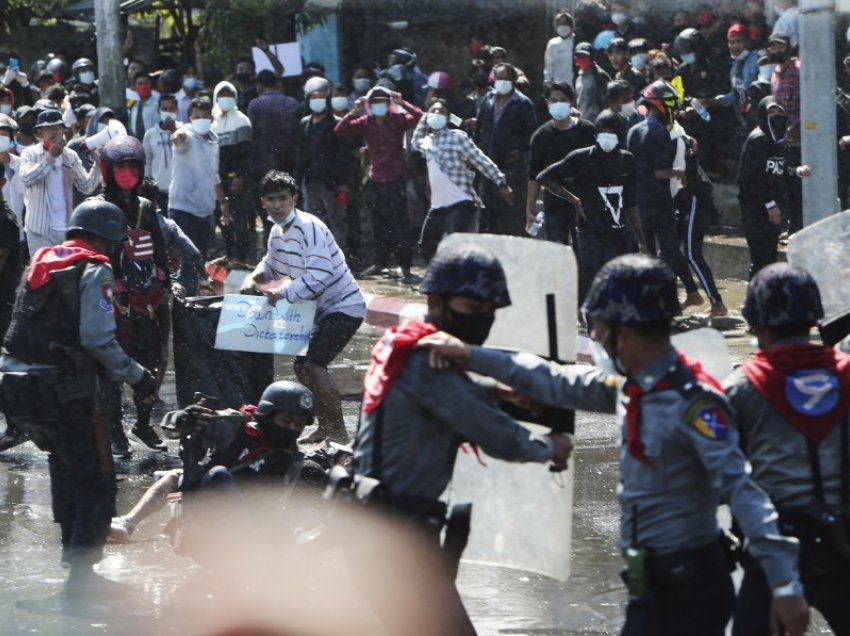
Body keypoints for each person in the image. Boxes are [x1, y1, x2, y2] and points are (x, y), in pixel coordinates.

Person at [418, 253, 810, 636]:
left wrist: (785, 584)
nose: (598, 339)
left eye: (602, 328)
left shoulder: (693, 402)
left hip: (689, 585)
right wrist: (472, 355)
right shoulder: (633, 387)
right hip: (655, 583)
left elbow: (743, 490)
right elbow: (554, 379)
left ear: (628, 329)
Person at [350, 242, 574, 636]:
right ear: (437, 301)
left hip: (378, 530)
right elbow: (497, 436)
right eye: (472, 309)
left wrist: (499, 392)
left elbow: (439, 397)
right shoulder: (426, 361)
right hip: (397, 539)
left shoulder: (404, 342)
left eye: (489, 312)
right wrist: (548, 448)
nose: (482, 321)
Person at [0, 199, 157, 604]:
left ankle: (74, 572)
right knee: (96, 477)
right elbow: (97, 340)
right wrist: (140, 377)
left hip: (15, 386)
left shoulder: (43, 258)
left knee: (65, 467)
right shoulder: (95, 268)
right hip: (61, 388)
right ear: (107, 238)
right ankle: (81, 582)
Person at [726, 263, 850, 635]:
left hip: (773, 554)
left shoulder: (740, 388)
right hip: (843, 547)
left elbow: (720, 474)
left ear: (757, 324)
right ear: (814, 318)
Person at [109, 380, 330, 543]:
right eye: (286, 420)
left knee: (314, 474)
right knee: (186, 476)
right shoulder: (233, 425)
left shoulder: (294, 460)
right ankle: (127, 523)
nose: (292, 429)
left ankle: (297, 541)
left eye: (299, 424)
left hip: (257, 527)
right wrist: (182, 417)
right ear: (268, 416)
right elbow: (171, 429)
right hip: (212, 511)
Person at [240, 171, 365, 444]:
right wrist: (253, 278)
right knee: (302, 367)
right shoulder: (276, 231)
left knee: (314, 364)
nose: (277, 205)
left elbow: (321, 276)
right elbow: (270, 266)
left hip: (344, 306)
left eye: (283, 199)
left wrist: (282, 293)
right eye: (271, 199)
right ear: (263, 202)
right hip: (317, 309)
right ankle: (325, 425)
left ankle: (339, 432)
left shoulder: (309, 227)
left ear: (294, 199)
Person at [99, 136, 171, 456]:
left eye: (132, 167)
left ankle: (143, 423)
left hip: (146, 302)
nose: (127, 173)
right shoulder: (96, 209)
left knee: (150, 363)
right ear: (107, 170)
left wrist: (165, 281)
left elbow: (160, 252)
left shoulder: (146, 208)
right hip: (108, 303)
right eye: (120, 167)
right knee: (110, 369)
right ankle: (114, 432)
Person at [537, 112, 647, 304]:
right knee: (591, 279)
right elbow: (545, 177)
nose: (607, 136)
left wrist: (641, 238)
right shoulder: (581, 158)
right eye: (603, 131)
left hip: (619, 232)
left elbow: (630, 202)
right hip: (590, 231)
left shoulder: (626, 160)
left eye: (611, 132)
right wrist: (573, 199)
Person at [627, 80, 703, 308]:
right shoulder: (658, 132)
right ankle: (672, 299)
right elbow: (658, 172)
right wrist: (677, 172)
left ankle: (656, 300)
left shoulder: (634, 129)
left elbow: (632, 168)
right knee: (668, 251)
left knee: (649, 251)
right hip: (659, 201)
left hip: (639, 201)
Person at [334, 85, 423, 281]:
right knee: (378, 224)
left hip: (396, 178)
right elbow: (340, 130)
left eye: (382, 101)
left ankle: (405, 266)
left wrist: (403, 103)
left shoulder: (398, 120)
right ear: (369, 105)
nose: (378, 105)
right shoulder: (366, 122)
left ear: (388, 103)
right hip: (376, 179)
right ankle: (379, 262)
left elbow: (421, 118)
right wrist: (353, 111)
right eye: (374, 102)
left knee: (401, 225)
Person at [411, 98, 512, 262]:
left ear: (448, 117)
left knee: (454, 244)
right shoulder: (427, 141)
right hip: (437, 206)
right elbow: (414, 141)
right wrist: (425, 116)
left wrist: (501, 181)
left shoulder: (457, 137)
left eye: (441, 112)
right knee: (426, 247)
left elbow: (480, 160)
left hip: (460, 201)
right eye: (433, 112)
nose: (437, 114)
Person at [737, 96, 810, 279]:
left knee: (769, 257)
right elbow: (748, 178)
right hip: (756, 209)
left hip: (773, 210)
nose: (776, 117)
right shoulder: (758, 140)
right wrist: (769, 204)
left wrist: (796, 171)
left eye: (779, 112)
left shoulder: (777, 142)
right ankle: (755, 300)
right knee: (761, 259)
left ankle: (766, 300)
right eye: (771, 112)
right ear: (762, 114)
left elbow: (777, 170)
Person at [19, 109, 101, 252]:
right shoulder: (30, 153)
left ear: (64, 130)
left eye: (58, 127)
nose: (54, 132)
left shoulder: (70, 155)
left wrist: (98, 165)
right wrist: (50, 157)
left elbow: (86, 187)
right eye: (48, 128)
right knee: (44, 271)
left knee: (65, 272)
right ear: (39, 133)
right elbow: (27, 179)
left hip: (66, 229)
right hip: (40, 230)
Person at [526, 81, 596, 246]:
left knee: (584, 249)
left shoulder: (587, 131)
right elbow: (534, 175)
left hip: (585, 200)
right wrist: (530, 206)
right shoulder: (541, 136)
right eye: (553, 100)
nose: (558, 104)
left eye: (563, 99)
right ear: (547, 103)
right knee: (557, 247)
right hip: (555, 200)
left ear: (571, 101)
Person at [474, 63, 537, 236]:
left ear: (514, 81)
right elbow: (479, 130)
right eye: (499, 78)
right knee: (486, 215)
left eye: (506, 79)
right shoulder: (487, 100)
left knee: (511, 215)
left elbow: (531, 136)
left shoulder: (523, 104)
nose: (502, 82)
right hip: (487, 167)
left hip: (512, 169)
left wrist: (521, 154)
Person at [169, 96, 230, 261]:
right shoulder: (187, 134)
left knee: (201, 259)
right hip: (183, 209)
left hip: (205, 210)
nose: (201, 120)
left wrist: (223, 202)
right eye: (196, 117)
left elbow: (213, 174)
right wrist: (178, 137)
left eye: (204, 116)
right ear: (190, 118)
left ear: (210, 117)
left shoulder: (213, 141)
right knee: (187, 260)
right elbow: (180, 138)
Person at [295, 77, 348, 250]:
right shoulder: (304, 124)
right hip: (311, 181)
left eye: (320, 97)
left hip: (332, 183)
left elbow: (343, 156)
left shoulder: (337, 124)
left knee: (337, 222)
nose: (317, 101)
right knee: (312, 223)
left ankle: (340, 259)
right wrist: (296, 182)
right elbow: (302, 155)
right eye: (313, 98)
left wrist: (343, 183)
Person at [211, 81, 253, 262]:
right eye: (222, 95)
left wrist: (239, 176)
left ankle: (242, 257)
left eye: (229, 95)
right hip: (219, 180)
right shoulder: (213, 124)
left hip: (236, 179)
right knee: (223, 218)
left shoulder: (242, 120)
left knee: (239, 217)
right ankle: (229, 253)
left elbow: (245, 153)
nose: (225, 99)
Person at [248, 69, 300, 181]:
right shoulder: (293, 103)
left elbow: (251, 133)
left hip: (264, 160)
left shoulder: (255, 104)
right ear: (276, 84)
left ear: (259, 85)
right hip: (290, 157)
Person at [142, 94, 178, 213]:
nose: (168, 112)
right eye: (164, 109)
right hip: (159, 192)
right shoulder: (151, 135)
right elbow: (146, 162)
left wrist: (174, 131)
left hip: (181, 191)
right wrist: (149, 188)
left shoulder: (185, 131)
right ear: (159, 110)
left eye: (171, 109)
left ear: (176, 110)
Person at [574, 42, 612, 125]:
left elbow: (607, 102)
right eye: (579, 56)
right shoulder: (579, 78)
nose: (582, 58)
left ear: (592, 57)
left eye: (585, 56)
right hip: (583, 122)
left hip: (598, 123)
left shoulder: (599, 75)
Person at [543, 10, 575, 85]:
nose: (563, 26)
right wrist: (547, 83)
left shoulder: (576, 41)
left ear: (571, 25)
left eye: (566, 23)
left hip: (573, 84)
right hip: (557, 85)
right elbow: (548, 66)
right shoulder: (552, 43)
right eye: (560, 24)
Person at [127, 72, 160, 141]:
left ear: (151, 85)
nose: (143, 86)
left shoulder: (158, 104)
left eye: (146, 83)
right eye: (140, 84)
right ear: (135, 87)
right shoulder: (134, 107)